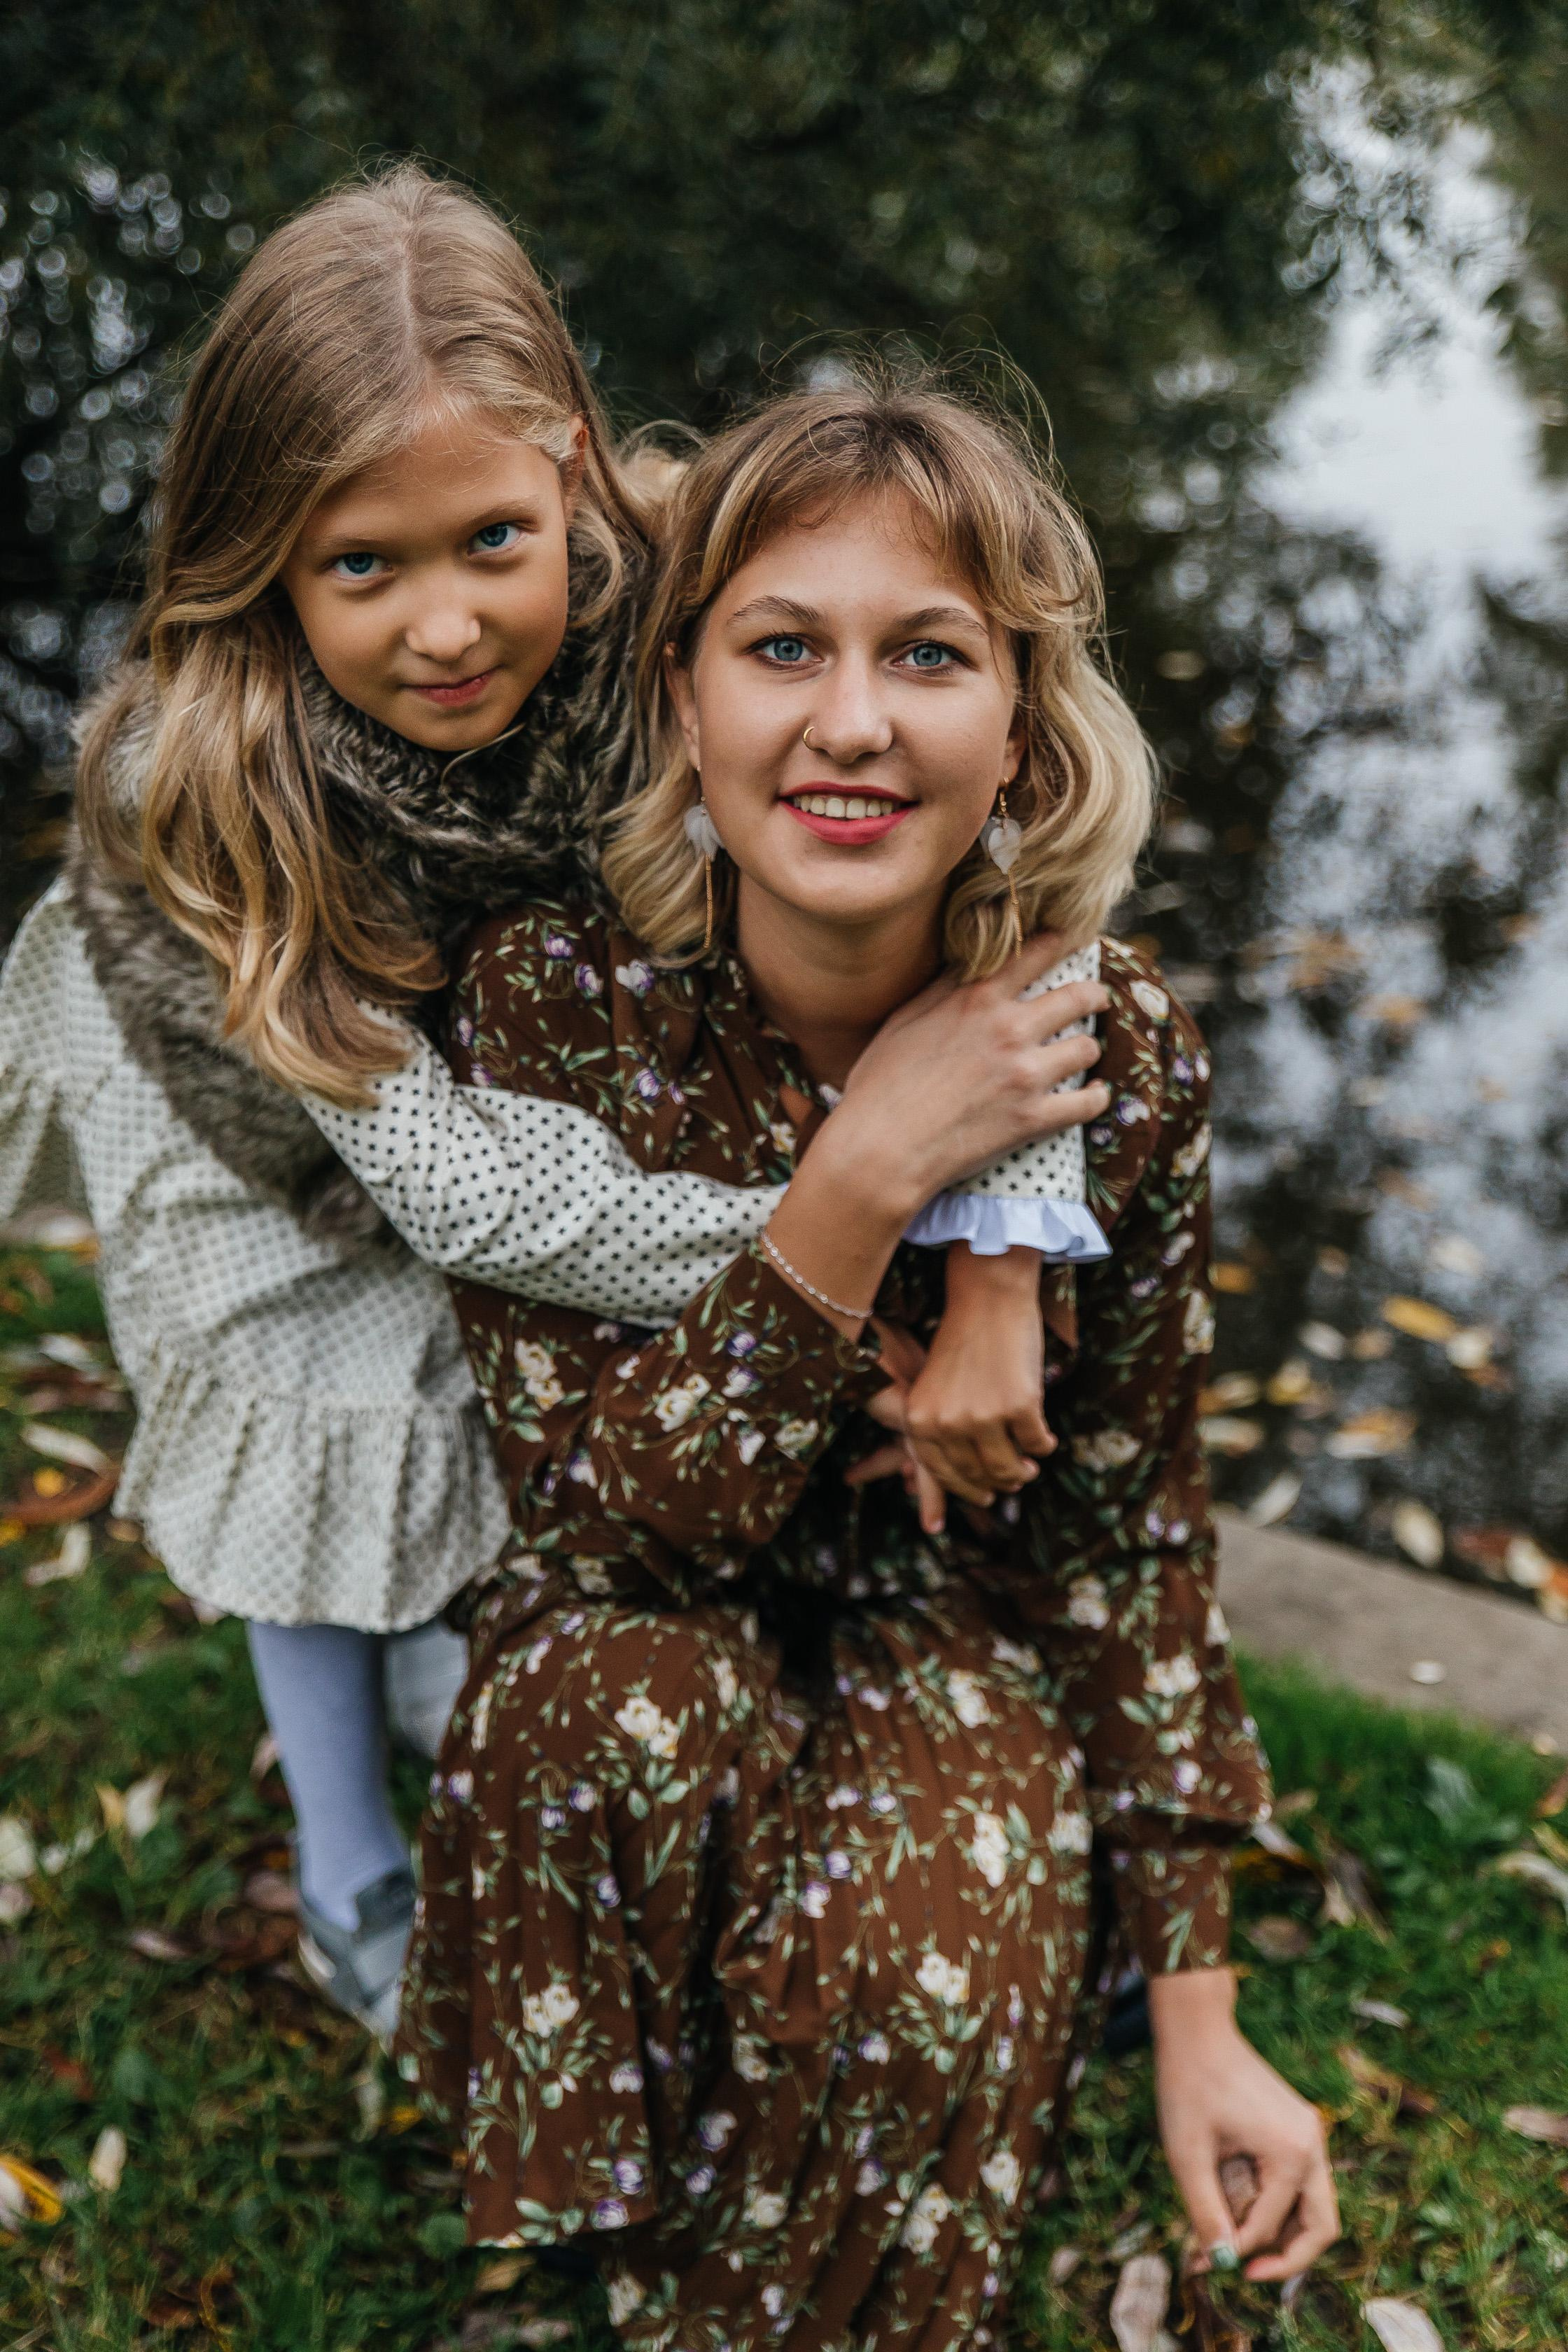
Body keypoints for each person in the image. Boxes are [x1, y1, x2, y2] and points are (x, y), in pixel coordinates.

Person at [0, 166, 1105, 2040]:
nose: (443, 626)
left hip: (508, 1072)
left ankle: (470, 1668)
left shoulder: (701, 594)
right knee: (337, 1433)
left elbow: (1015, 889)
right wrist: (863, 1203)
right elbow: (455, 1198)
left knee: (508, 1427)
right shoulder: (226, 778)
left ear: (579, 470)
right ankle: (352, 1856)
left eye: (491, 541)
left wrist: (998, 1246)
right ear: (262, 550)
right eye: (365, 567)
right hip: (279, 1101)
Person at [398, 373, 1339, 2346]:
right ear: (681, 699)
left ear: (1018, 726)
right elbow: (611, 1521)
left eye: (926, 655)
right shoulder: (554, 1004)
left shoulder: (1122, 1060)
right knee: (603, 1715)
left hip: (948, 1617)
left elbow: (1129, 1533)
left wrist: (1200, 2019)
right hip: (640, 1595)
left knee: (919, 1986)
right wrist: (869, 1173)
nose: (849, 722)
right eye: (781, 648)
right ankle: (615, 2216)